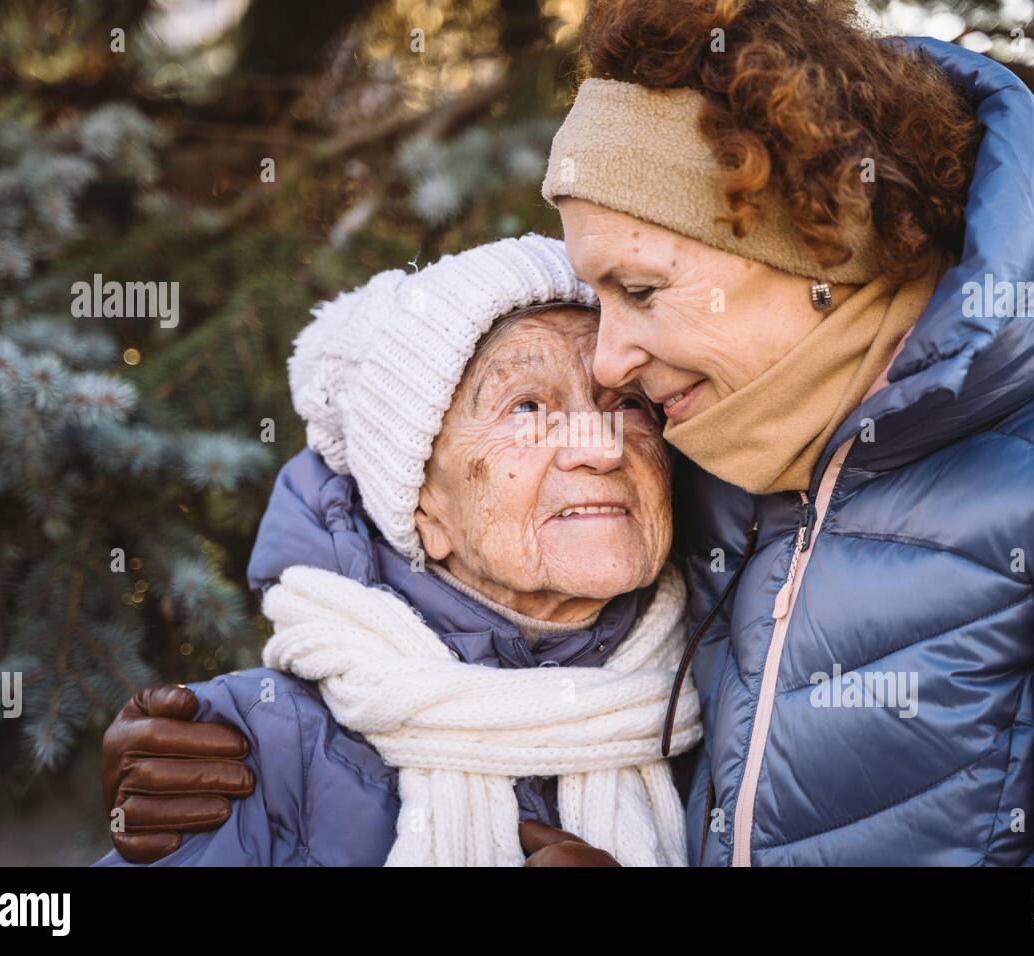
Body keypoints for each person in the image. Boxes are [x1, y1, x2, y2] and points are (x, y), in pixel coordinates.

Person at [101, 1, 1034, 867]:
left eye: (640, 288)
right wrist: (251, 735)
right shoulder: (727, 461)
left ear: (814, 243)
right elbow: (428, 501)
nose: (609, 364)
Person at [96, 234, 695, 866]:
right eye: (527, 407)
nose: (600, 448)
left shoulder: (727, 685)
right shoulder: (254, 748)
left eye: (625, 404)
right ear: (420, 503)